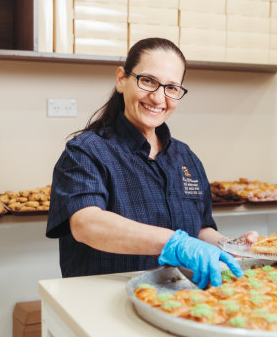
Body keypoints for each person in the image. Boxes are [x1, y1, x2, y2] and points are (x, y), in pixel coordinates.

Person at [46, 37, 256, 289]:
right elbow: (86, 224)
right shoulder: (86, 151)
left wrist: (231, 246)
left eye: (172, 88)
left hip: (177, 299)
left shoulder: (184, 156)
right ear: (121, 79)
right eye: (148, 81)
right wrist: (174, 243)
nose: (158, 98)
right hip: (104, 300)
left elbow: (199, 229)